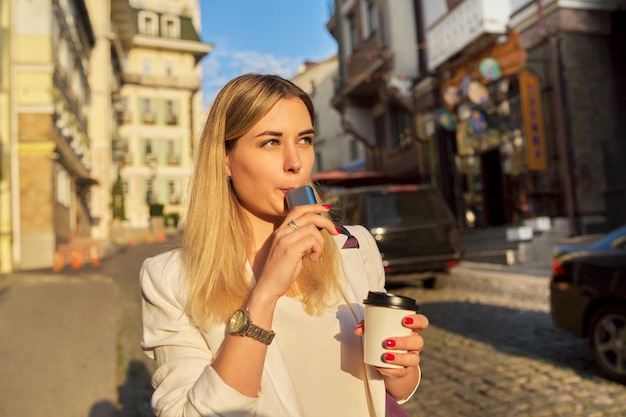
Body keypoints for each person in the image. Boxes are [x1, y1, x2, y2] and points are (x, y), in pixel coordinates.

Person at [140, 73, 429, 417]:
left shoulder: (354, 247)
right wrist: (263, 295)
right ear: (225, 159)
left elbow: (394, 392)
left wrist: (401, 368)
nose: (295, 163)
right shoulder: (172, 279)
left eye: (304, 140)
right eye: (271, 142)